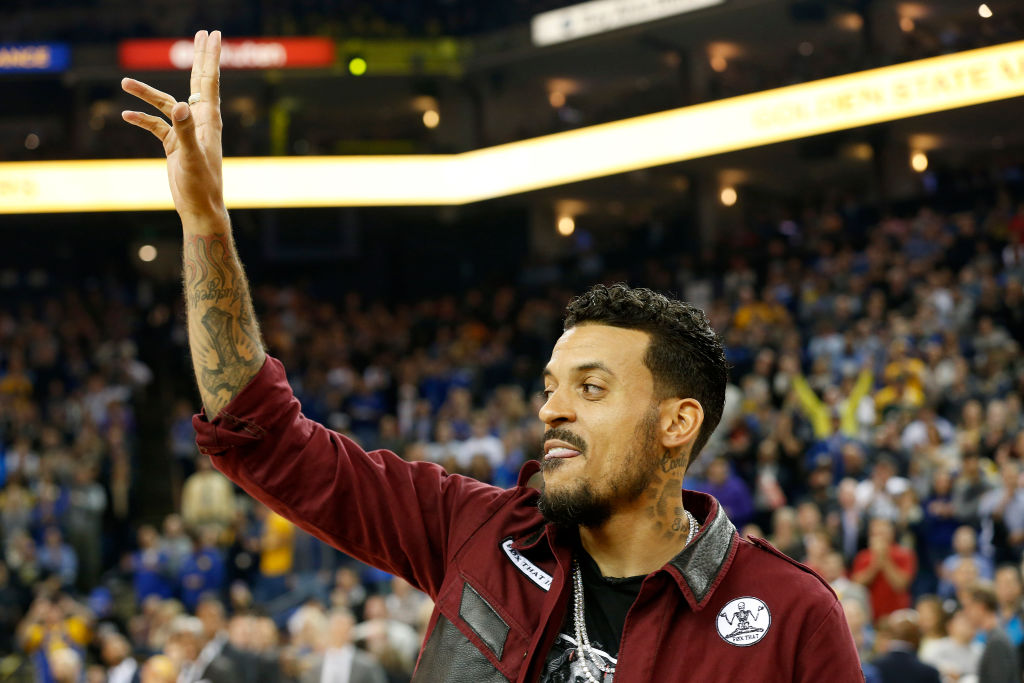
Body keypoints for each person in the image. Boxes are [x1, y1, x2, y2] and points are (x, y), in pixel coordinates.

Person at [121, 30, 862, 682]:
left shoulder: (788, 613)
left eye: (592, 387)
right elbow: (266, 437)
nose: (552, 408)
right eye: (551, 385)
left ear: (678, 421)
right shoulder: (476, 531)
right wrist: (206, 225)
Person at [962, 581, 1020, 683]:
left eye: (968, 607)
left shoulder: (997, 642)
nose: (965, 613)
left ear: (980, 607)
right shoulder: (994, 637)